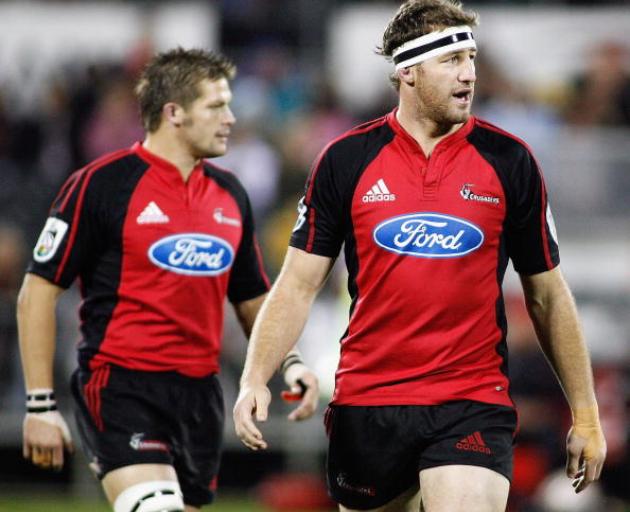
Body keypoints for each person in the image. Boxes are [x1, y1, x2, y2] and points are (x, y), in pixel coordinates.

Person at [232, 2, 607, 511]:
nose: (470, 74)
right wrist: (255, 377)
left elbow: (548, 296)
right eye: (451, 60)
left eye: (471, 58)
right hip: (368, 402)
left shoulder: (509, 161)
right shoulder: (346, 159)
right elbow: (298, 285)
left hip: (470, 400)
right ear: (408, 71)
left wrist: (585, 414)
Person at [17, 47, 318, 512]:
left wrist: (290, 361)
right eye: (216, 106)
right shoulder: (101, 185)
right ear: (173, 112)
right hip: (120, 386)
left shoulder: (229, 193)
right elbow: (37, 291)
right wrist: (40, 404)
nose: (232, 118)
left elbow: (252, 295)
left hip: (200, 395)